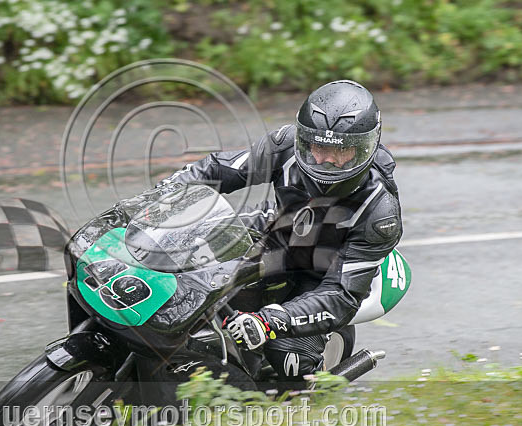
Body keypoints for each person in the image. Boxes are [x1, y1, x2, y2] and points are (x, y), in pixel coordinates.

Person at [159, 79, 403, 382]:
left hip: (322, 273)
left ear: (364, 148)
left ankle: (306, 388)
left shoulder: (381, 213)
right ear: (304, 138)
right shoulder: (284, 144)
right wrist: (168, 195)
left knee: (290, 360)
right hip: (277, 231)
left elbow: (340, 296)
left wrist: (272, 321)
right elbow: (219, 169)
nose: (324, 159)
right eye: (317, 146)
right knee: (181, 256)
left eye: (340, 152)